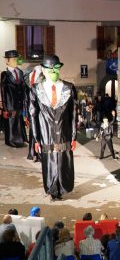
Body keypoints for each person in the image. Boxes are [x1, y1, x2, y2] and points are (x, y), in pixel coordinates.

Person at [29, 55, 77, 201]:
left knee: (63, 161)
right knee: (49, 162)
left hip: (64, 133)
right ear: (43, 70)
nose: (53, 72)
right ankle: (52, 190)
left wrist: (74, 137)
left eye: (56, 68)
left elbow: (73, 114)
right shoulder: (36, 89)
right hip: (46, 134)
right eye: (50, 69)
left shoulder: (69, 88)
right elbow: (33, 115)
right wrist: (36, 138)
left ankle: (62, 188)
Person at [0, 49, 28, 147]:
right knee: (11, 123)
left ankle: (22, 139)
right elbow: (3, 91)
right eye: (13, 59)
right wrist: (5, 107)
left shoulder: (20, 72)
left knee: (19, 121)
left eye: (16, 59)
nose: (15, 61)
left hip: (20, 102)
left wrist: (25, 101)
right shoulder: (5, 74)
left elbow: (23, 87)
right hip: (10, 103)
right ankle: (11, 141)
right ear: (7, 61)